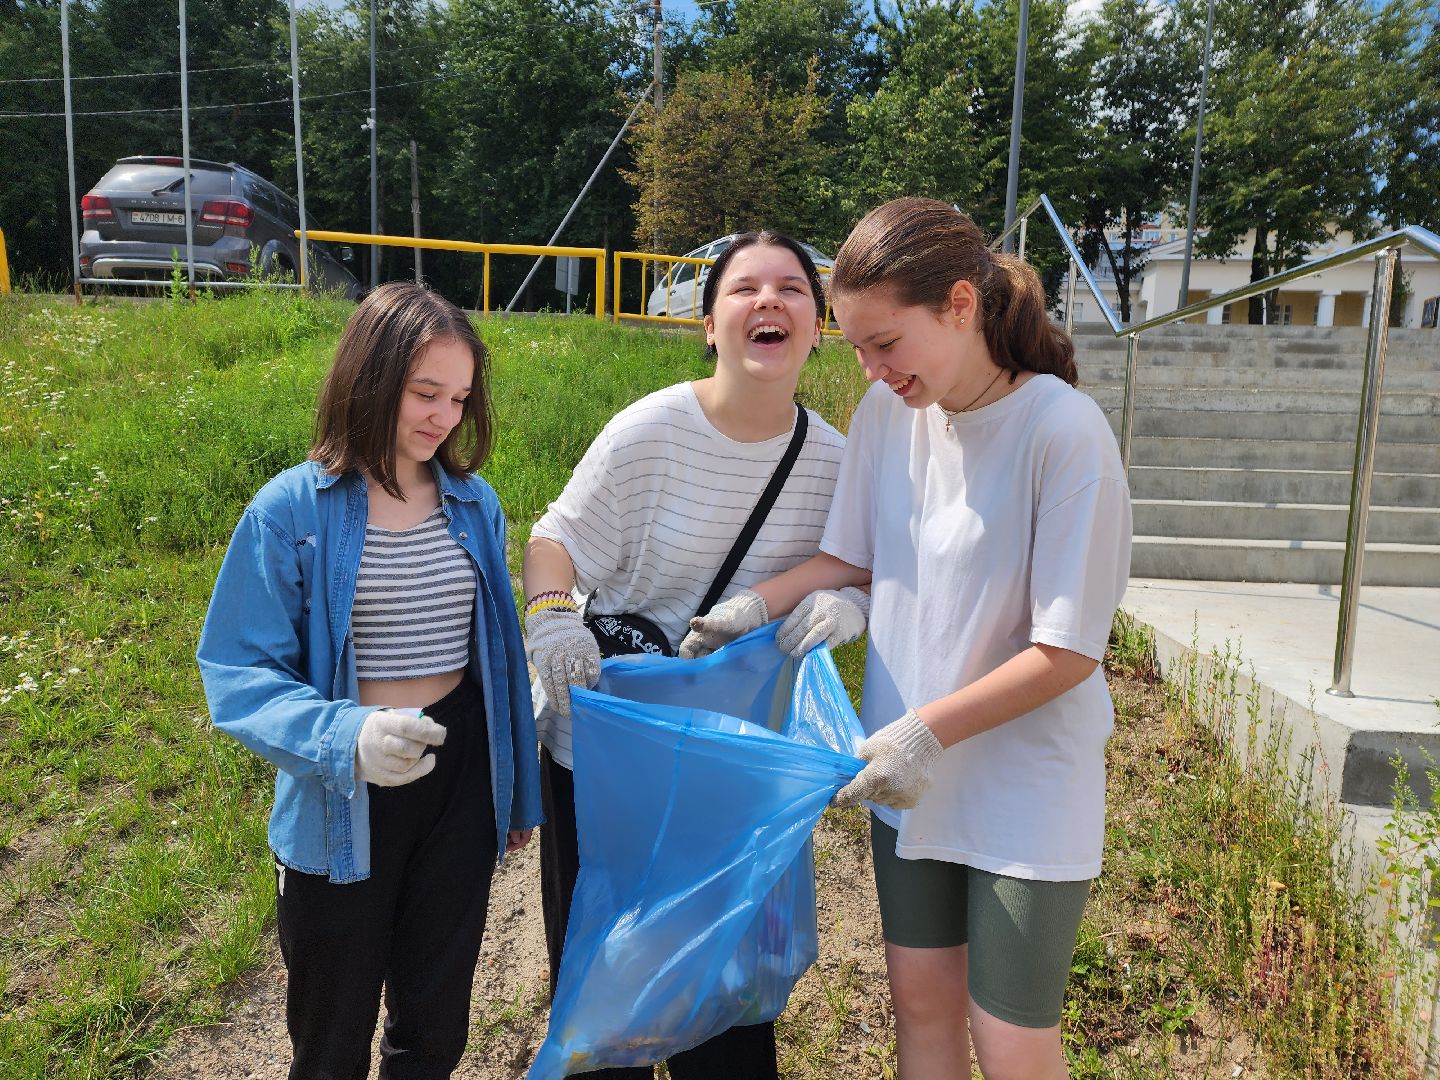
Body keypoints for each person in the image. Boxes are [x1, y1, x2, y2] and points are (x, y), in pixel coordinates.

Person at [683, 197, 1133, 1080]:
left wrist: (927, 729)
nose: (872, 367)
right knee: (921, 1013)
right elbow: (846, 558)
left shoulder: (1062, 431)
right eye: (854, 346)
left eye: (887, 343)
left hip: (1019, 784)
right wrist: (751, 609)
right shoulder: (892, 417)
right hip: (906, 780)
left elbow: (1070, 649)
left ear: (960, 304)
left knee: (1011, 1039)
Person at [521, 231, 860, 1079]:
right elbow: (554, 543)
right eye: (746, 289)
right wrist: (553, 618)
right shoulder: (651, 433)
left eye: (793, 288)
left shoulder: (836, 462)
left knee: (730, 1006)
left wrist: (846, 605)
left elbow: (864, 565)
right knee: (609, 992)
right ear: (709, 323)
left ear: (819, 325)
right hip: (606, 763)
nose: (769, 302)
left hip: (732, 770)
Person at [197, 282, 542, 1080]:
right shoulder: (291, 510)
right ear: (370, 378)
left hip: (455, 780)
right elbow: (239, 672)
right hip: (339, 796)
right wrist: (346, 736)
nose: (444, 417)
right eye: (426, 393)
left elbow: (496, 653)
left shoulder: (472, 503)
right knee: (332, 1026)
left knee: (436, 1016)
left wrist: (515, 790)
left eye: (459, 398)